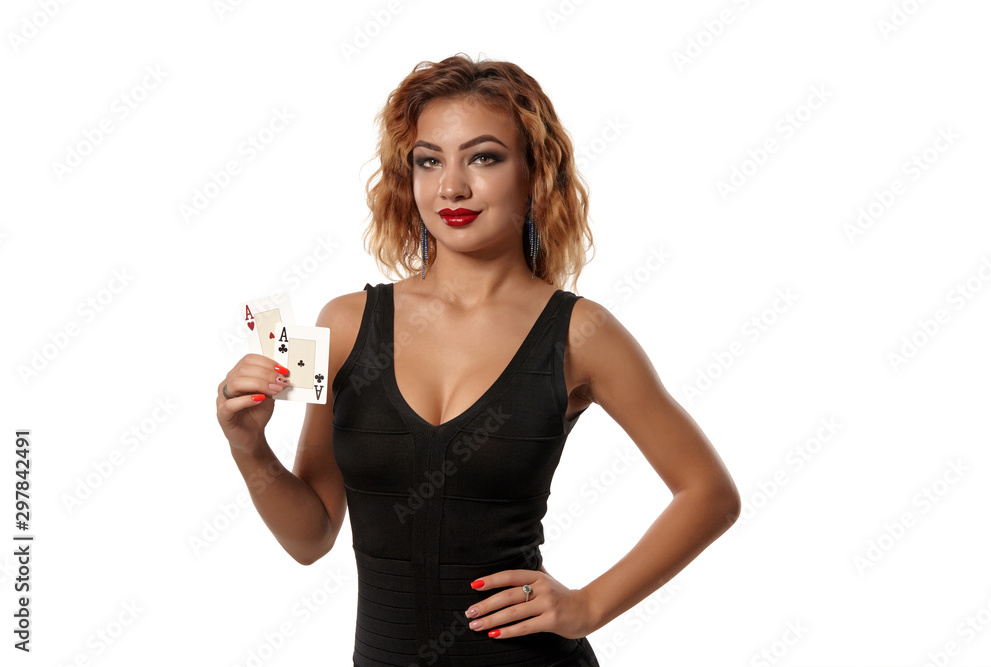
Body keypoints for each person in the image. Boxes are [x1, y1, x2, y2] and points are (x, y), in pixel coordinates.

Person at [217, 53, 741, 666]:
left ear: (534, 172)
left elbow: (709, 493)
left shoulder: (581, 334)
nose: (452, 187)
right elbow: (310, 538)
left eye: (484, 157)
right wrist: (248, 446)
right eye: (429, 160)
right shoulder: (346, 325)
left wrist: (589, 605)